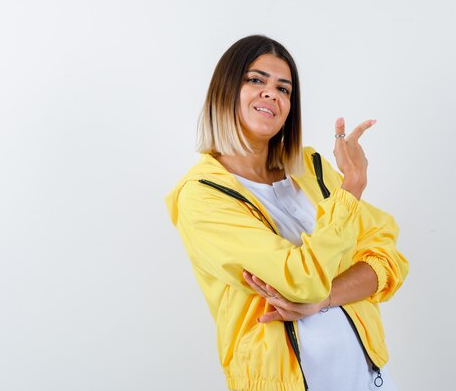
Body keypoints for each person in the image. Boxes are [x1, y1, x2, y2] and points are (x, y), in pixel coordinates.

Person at [165, 35, 409, 391]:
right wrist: (351, 188)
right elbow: (299, 280)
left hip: (365, 376)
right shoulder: (201, 196)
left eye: (284, 88)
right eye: (255, 80)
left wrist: (324, 299)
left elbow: (388, 257)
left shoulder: (310, 167)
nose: (271, 94)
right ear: (224, 89)